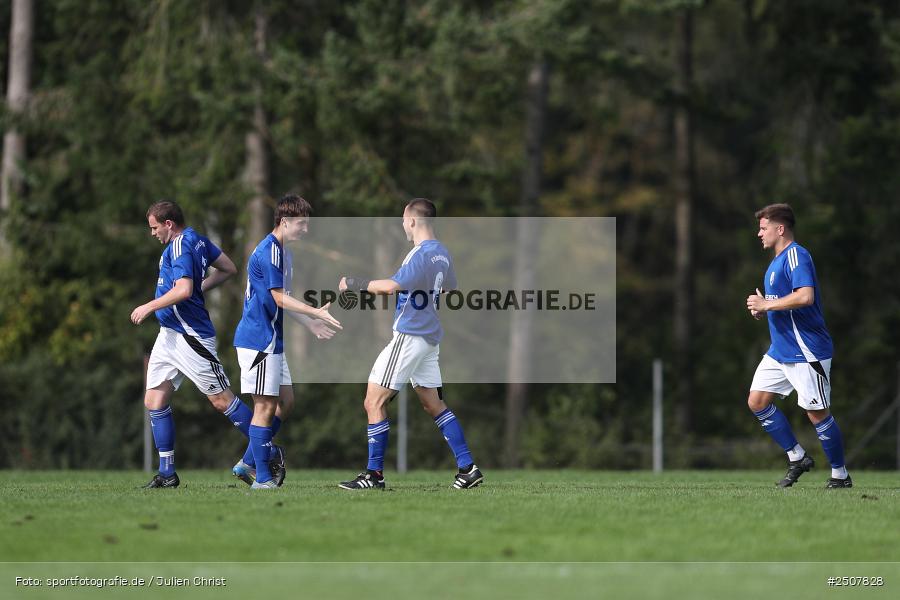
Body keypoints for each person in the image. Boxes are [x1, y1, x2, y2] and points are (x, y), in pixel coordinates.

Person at [337, 198, 483, 490]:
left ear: (413, 221)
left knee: (373, 401)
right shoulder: (441, 252)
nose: (403, 224)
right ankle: (468, 469)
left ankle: (373, 476)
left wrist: (352, 283)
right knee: (433, 404)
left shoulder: (421, 254)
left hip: (410, 335)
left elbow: (390, 287)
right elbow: (450, 285)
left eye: (404, 220)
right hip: (429, 339)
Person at [131, 200, 260, 489]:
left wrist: (150, 306)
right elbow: (228, 268)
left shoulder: (179, 246)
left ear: (168, 224)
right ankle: (167, 473)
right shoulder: (197, 239)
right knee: (154, 400)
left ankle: (268, 450)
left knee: (221, 400)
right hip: (169, 335)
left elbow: (185, 289)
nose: (152, 233)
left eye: (154, 227)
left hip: (191, 336)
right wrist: (197, 290)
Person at [233, 194, 341, 489]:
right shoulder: (270, 251)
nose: (305, 229)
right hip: (258, 340)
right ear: (284, 222)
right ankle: (263, 479)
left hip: (272, 340)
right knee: (264, 407)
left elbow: (282, 303)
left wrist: (311, 324)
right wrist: (314, 310)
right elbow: (279, 298)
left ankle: (248, 462)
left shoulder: (284, 252)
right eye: (302, 224)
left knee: (286, 402)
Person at [745, 203, 851, 488]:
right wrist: (763, 309)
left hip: (807, 351)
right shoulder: (774, 264)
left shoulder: (797, 256)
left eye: (763, 228)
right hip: (780, 352)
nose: (759, 233)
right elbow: (782, 305)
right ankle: (797, 457)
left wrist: (767, 304)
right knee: (757, 401)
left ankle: (840, 476)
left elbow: (805, 296)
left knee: (817, 414)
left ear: (780, 229)